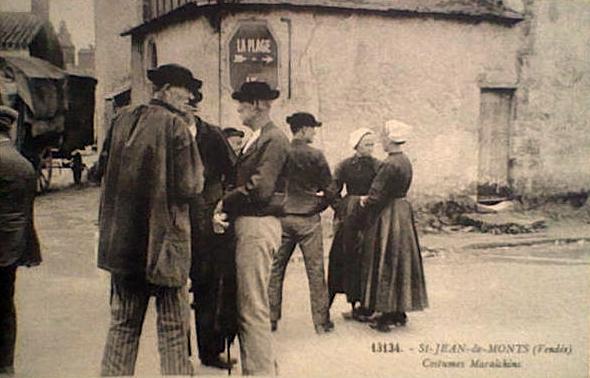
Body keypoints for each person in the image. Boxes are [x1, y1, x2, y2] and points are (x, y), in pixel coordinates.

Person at [97, 63, 204, 376]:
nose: (191, 97)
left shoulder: (121, 119)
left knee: (123, 325)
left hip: (124, 243)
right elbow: (191, 186)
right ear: (168, 90)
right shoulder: (177, 127)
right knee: (172, 326)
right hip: (165, 245)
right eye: (187, 90)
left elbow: (100, 170)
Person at [217, 81, 290, 376]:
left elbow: (259, 189)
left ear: (258, 105)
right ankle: (259, 369)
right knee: (248, 306)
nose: (238, 108)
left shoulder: (273, 139)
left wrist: (223, 202)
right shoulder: (258, 138)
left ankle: (260, 373)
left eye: (242, 103)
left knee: (253, 307)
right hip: (250, 224)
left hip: (258, 225)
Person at [268, 112, 337, 334]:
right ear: (304, 130)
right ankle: (321, 323)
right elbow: (330, 189)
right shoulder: (316, 155)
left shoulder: (280, 153)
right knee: (315, 270)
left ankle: (270, 317)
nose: (315, 132)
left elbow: (270, 184)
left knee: (275, 269)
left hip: (283, 218)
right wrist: (319, 205)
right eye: (313, 128)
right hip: (308, 219)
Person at [358, 119, 428, 332]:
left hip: (388, 214)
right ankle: (399, 311)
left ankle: (385, 314)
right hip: (403, 212)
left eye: (384, 138)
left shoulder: (389, 164)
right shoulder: (405, 160)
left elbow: (376, 195)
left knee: (385, 259)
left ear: (391, 139)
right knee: (401, 260)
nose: (382, 142)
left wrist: (364, 201)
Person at [184, 96, 238, 370]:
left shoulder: (212, 136)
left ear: (196, 110)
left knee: (208, 289)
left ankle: (211, 352)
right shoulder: (168, 133)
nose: (185, 111)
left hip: (209, 226)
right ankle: (180, 355)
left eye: (190, 107)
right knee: (176, 292)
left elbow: (234, 174)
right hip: (177, 224)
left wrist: (222, 204)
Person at [0, 106, 41, 377]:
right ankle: (6, 365)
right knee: (5, 305)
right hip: (11, 248)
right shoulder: (23, 165)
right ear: (10, 129)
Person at [327, 128, 380, 321]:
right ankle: (349, 302)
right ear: (356, 145)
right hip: (349, 218)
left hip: (369, 216)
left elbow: (380, 191)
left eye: (373, 144)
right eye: (367, 144)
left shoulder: (378, 166)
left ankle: (366, 305)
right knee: (345, 257)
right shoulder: (344, 165)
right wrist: (341, 207)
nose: (371, 148)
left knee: (367, 258)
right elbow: (332, 189)